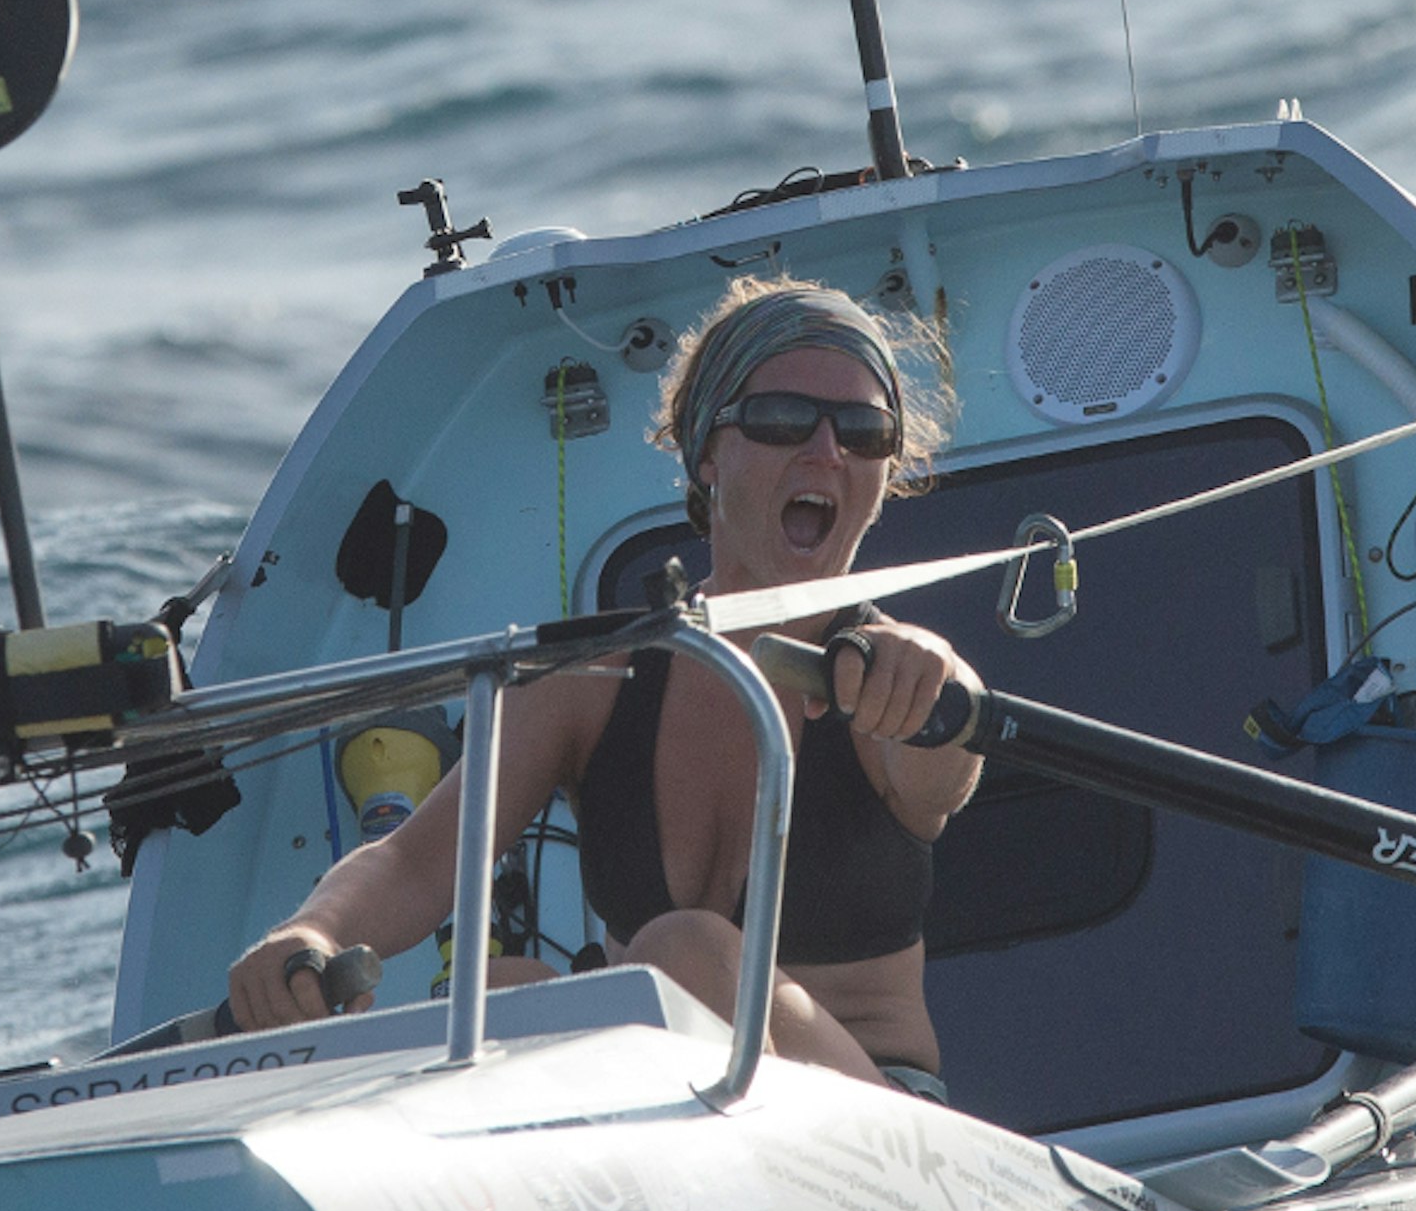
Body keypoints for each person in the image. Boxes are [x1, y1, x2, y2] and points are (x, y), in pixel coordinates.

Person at [227, 277, 982, 1095]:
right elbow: (415, 863)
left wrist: (935, 677)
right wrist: (316, 928)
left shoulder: (897, 678)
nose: (827, 452)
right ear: (705, 456)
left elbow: (947, 753)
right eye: (783, 420)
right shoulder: (593, 682)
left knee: (684, 951)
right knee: (505, 992)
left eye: (865, 432)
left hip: (885, 1125)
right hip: (677, 1118)